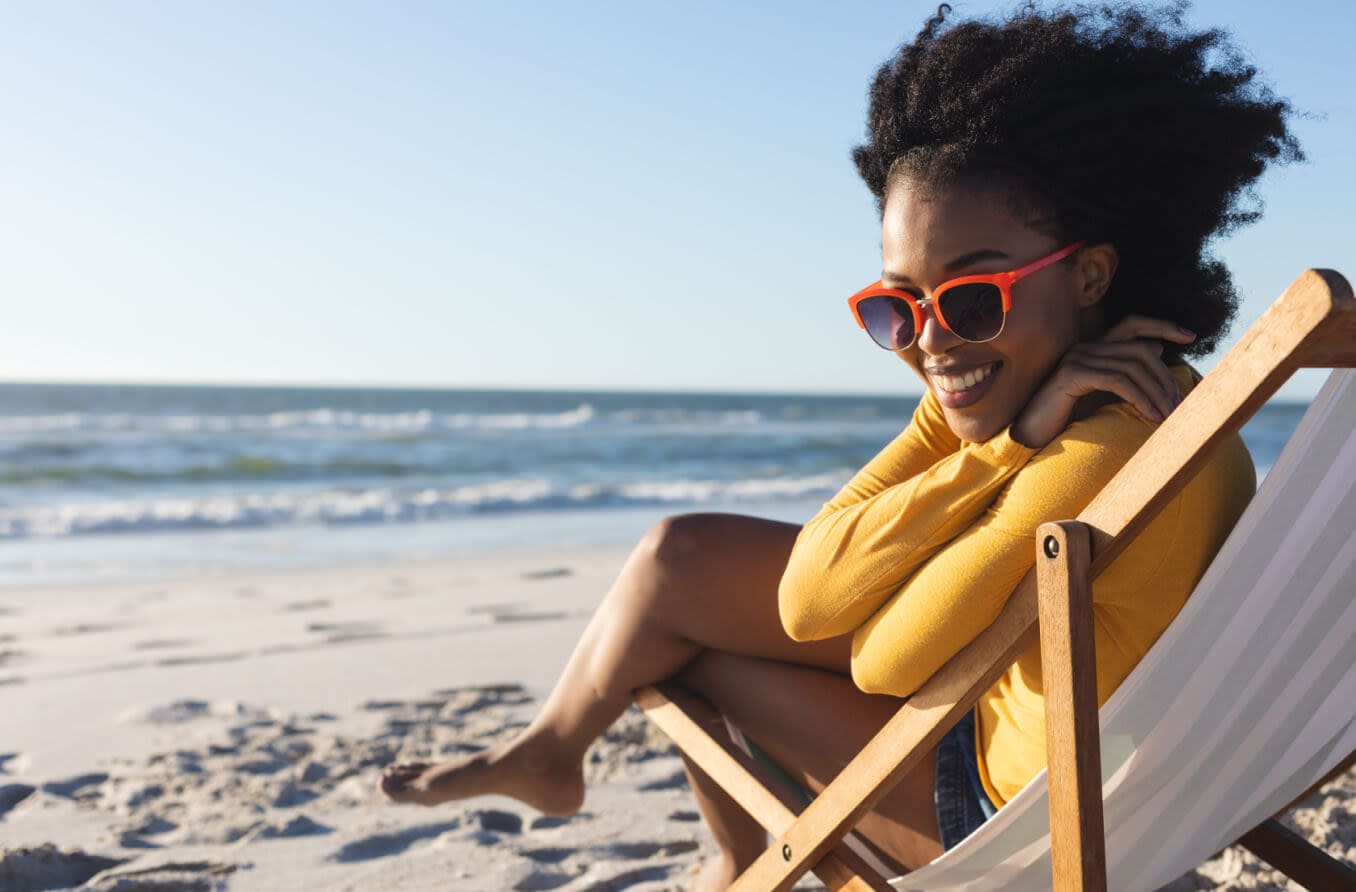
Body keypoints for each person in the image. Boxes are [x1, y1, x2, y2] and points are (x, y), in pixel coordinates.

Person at [380, 3, 1301, 886]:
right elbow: (811, 590)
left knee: (691, 653)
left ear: (1093, 274)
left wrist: (1002, 450)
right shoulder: (1167, 405)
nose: (935, 340)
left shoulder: (1090, 460)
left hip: (1024, 824)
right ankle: (555, 753)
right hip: (1122, 780)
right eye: (899, 309)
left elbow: (874, 659)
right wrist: (986, 431)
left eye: (974, 298)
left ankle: (731, 865)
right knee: (682, 558)